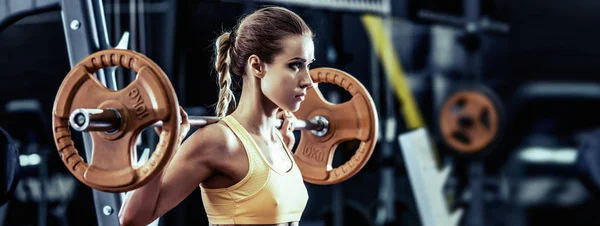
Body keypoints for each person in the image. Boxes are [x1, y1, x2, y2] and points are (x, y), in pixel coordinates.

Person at [119, 6, 315, 226]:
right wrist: (168, 146)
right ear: (257, 66)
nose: (308, 80)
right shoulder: (218, 142)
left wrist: (285, 146)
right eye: (295, 65)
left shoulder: (279, 140)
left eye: (308, 65)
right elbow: (132, 219)